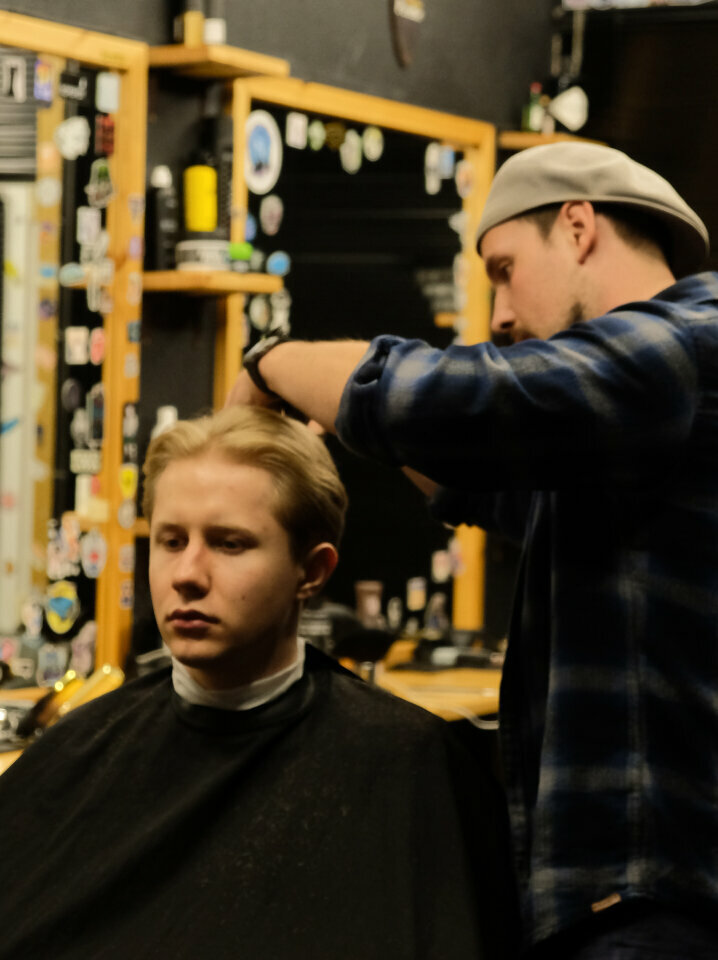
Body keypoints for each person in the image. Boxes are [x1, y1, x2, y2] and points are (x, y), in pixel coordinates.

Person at [226, 142, 718, 958]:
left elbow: (477, 400)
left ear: (578, 226)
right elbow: (485, 479)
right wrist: (360, 424)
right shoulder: (628, 430)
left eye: (503, 270)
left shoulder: (688, 346)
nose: (498, 314)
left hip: (663, 898)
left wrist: (272, 362)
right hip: (638, 893)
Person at [0, 405, 516, 960]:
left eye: (230, 543)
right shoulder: (79, 751)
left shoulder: (407, 764)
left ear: (312, 571)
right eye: (171, 541)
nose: (187, 575)